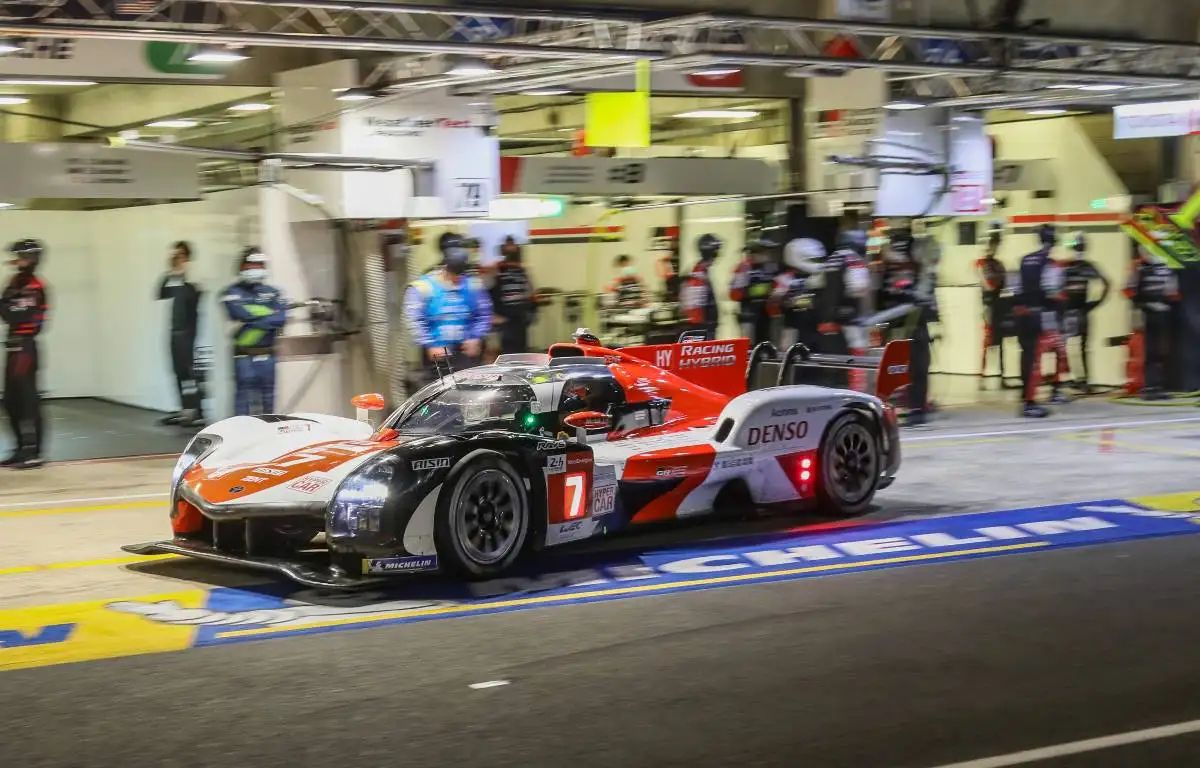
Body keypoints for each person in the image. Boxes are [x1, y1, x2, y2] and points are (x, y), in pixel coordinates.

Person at [406, 232, 493, 380]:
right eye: (454, 275)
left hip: (464, 352)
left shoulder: (472, 285)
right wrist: (429, 344)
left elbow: (484, 313)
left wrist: (475, 337)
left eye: (460, 275)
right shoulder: (424, 286)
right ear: (445, 267)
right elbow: (415, 319)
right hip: (436, 354)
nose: (457, 279)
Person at [221, 247, 288, 416]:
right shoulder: (231, 292)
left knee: (268, 409)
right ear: (242, 266)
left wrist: (253, 318)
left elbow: (281, 318)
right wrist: (268, 312)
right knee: (242, 408)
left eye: (259, 265)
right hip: (244, 358)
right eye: (251, 265)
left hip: (269, 358)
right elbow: (238, 313)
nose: (255, 269)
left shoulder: (274, 293)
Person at [1, 239, 48, 469]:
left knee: (28, 401)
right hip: (12, 347)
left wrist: (14, 310)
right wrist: (14, 310)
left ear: (31, 259)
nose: (16, 260)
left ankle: (34, 452)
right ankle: (20, 449)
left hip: (26, 349)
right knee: (11, 402)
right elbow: (4, 310)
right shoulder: (13, 282)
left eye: (19, 256)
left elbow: (32, 319)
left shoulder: (37, 286)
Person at [1010, 224, 1064, 418]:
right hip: (1040, 316)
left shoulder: (1025, 260)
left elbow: (1014, 288)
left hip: (1022, 316)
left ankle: (1026, 396)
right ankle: (1030, 403)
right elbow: (1053, 292)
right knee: (1036, 360)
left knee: (1026, 357)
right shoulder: (1050, 264)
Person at [157, 241, 204, 427]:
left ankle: (198, 411)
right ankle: (185, 409)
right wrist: (171, 272)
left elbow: (192, 297)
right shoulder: (175, 279)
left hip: (189, 334)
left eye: (180, 255)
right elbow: (160, 293)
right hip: (175, 333)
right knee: (178, 373)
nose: (177, 259)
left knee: (190, 374)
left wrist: (182, 272)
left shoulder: (193, 279)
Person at [1124, 246, 1179, 400]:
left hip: (1162, 313)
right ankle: (1148, 386)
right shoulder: (1139, 266)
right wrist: (1142, 305)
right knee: (1147, 350)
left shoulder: (1167, 266)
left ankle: (1158, 386)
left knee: (1161, 350)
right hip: (1145, 313)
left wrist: (1166, 303)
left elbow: (1173, 293)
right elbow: (1128, 290)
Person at [1060, 232, 1110, 393]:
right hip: (1076, 310)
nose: (1079, 250)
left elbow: (1106, 283)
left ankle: (1081, 379)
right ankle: (1079, 379)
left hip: (1076, 310)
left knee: (1076, 346)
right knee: (1075, 346)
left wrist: (1094, 304)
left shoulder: (1075, 266)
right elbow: (1106, 283)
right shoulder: (1074, 266)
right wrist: (1094, 303)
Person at [773, 238, 824, 353]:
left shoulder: (820, 277)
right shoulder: (785, 279)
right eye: (813, 260)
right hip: (792, 327)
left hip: (814, 328)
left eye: (819, 260)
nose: (817, 264)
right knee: (790, 357)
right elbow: (777, 302)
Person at [490, 237, 536, 355]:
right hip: (506, 321)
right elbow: (492, 293)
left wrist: (531, 311)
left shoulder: (521, 272)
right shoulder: (498, 271)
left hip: (520, 320)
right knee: (509, 354)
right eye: (509, 247)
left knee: (521, 353)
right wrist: (495, 316)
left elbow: (530, 292)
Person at [977, 223, 1010, 384]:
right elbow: (989, 284)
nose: (994, 247)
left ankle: (1003, 377)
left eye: (996, 244)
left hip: (999, 304)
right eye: (992, 244)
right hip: (989, 305)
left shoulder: (998, 264)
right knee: (989, 340)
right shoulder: (982, 263)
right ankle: (982, 376)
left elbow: (1004, 284)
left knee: (1001, 340)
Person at [729, 239, 777, 345]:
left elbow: (774, 286)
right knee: (747, 345)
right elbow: (734, 294)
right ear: (755, 253)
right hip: (748, 312)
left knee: (765, 343)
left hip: (764, 313)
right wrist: (754, 291)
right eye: (766, 252)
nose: (769, 255)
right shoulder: (743, 268)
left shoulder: (770, 267)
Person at [681, 233, 722, 339]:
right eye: (716, 252)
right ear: (711, 253)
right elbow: (694, 308)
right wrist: (703, 330)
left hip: (707, 327)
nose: (718, 256)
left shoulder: (703, 272)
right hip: (702, 329)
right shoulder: (698, 273)